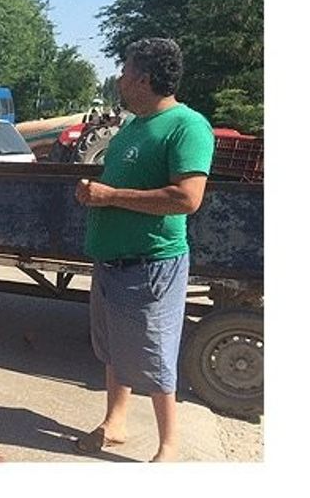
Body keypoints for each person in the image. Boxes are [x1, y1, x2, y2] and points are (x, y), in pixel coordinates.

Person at [73, 38, 214, 462]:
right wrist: (95, 194)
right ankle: (115, 422)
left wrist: (110, 196)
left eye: (124, 71)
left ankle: (167, 447)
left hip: (151, 263)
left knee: (153, 354)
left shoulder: (186, 126)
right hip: (112, 259)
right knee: (114, 346)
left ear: (143, 79)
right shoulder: (133, 125)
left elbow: (187, 198)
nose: (119, 78)